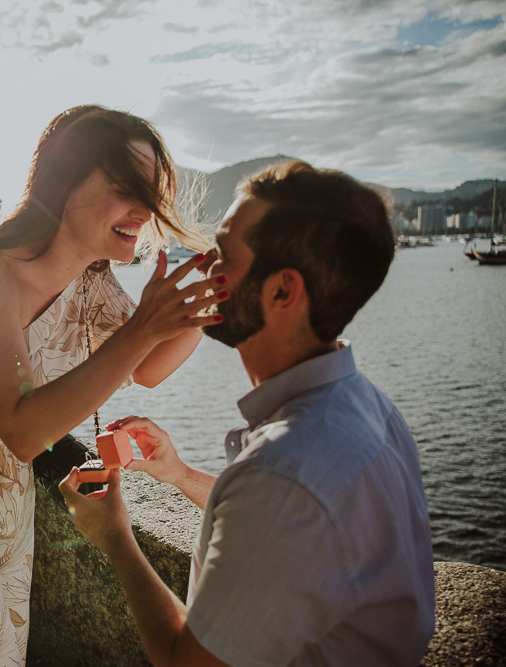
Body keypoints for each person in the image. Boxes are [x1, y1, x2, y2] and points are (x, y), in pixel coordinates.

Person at [0, 105, 229, 667]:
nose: (145, 210)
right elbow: (21, 428)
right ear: (63, 184)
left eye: (153, 191)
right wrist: (143, 326)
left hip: (5, 487)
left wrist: (204, 306)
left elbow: (149, 367)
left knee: (4, 651)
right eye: (125, 187)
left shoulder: (91, 278)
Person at [61, 160, 436, 667]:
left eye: (223, 255)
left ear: (282, 291)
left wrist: (115, 538)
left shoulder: (283, 472)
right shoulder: (370, 407)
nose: (202, 266)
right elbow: (295, 528)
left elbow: (185, 662)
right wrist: (179, 474)